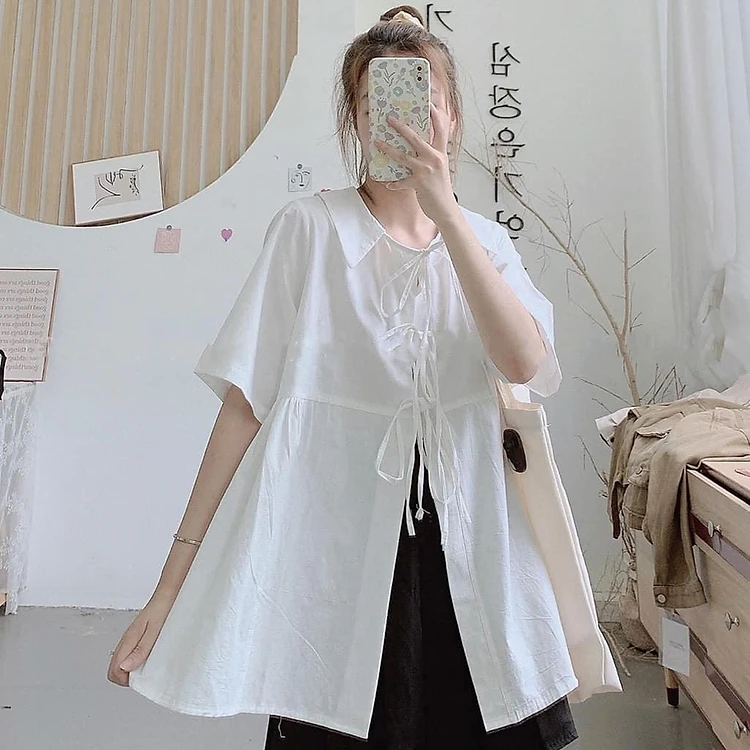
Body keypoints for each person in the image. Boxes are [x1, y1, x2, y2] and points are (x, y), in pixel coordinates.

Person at [107, 6, 581, 749]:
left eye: (422, 101)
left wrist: (446, 214)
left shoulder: (485, 243)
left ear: (452, 117)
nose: (399, 121)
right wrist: (170, 588)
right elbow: (243, 407)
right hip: (337, 552)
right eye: (374, 104)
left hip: (473, 553)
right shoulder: (310, 229)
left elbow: (524, 363)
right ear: (355, 122)